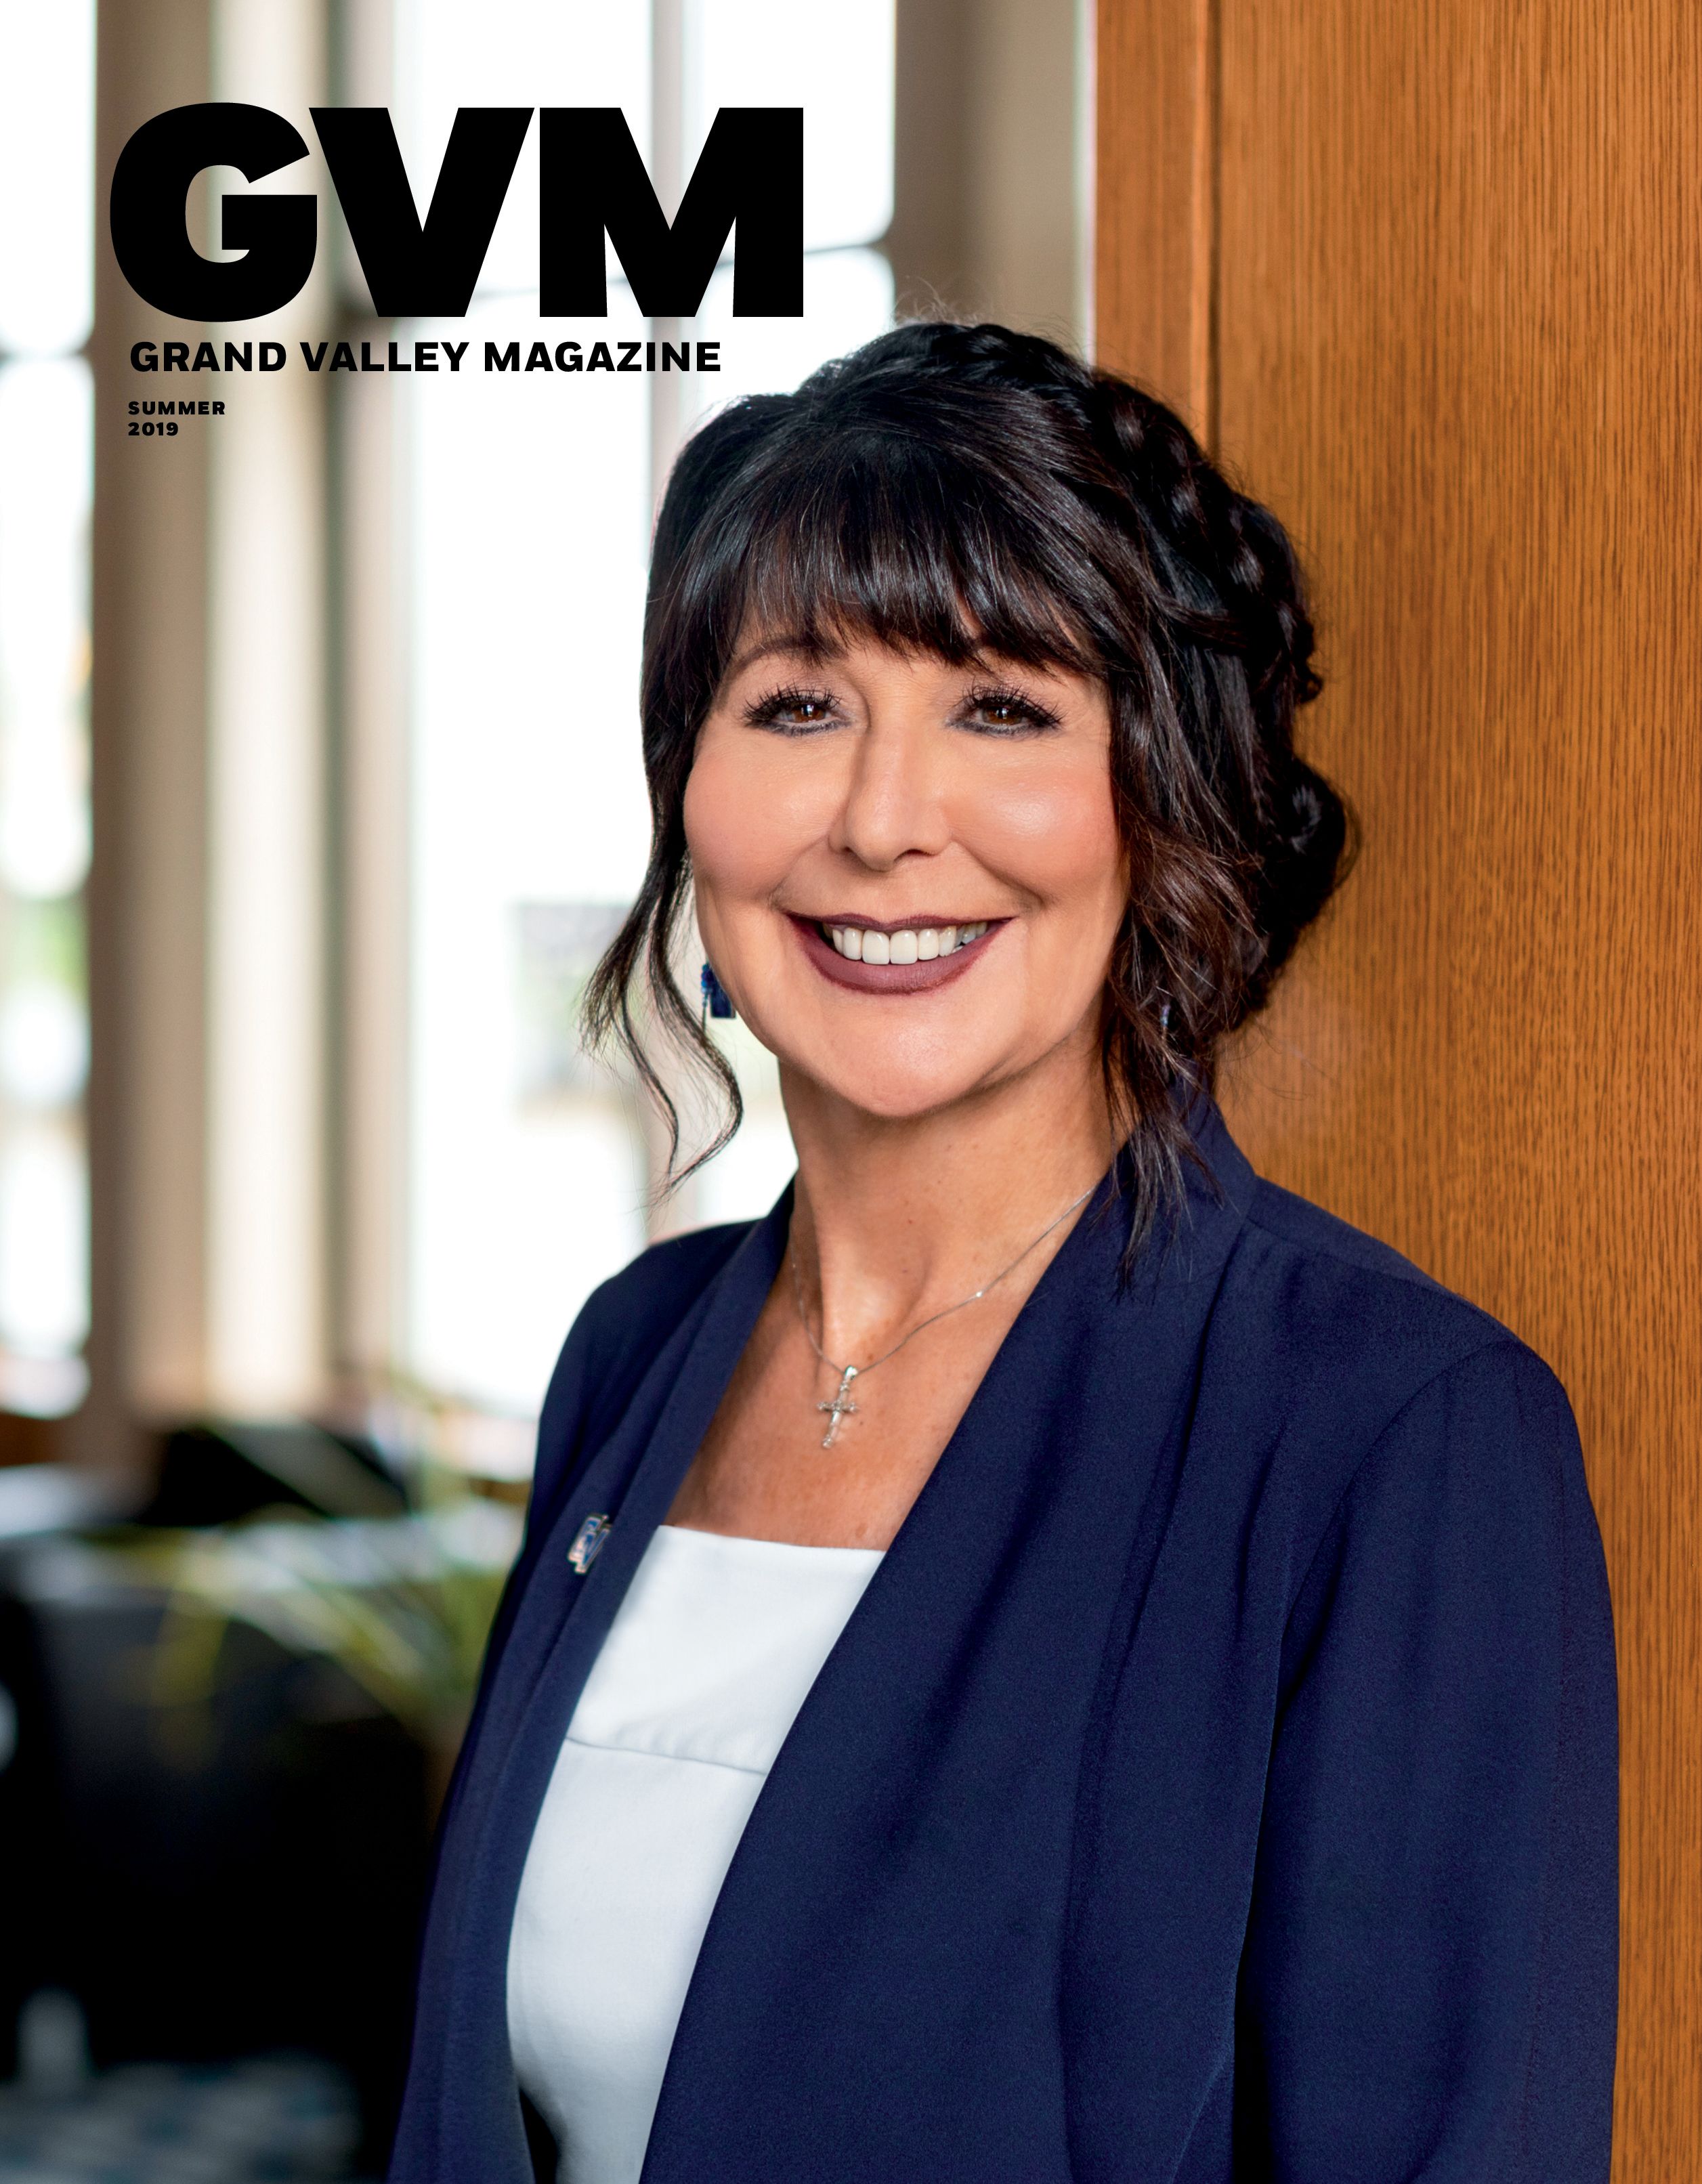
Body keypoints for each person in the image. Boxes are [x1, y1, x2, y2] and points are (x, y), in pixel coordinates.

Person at [388, 324, 1617, 2183]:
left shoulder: (1390, 1432)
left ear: (1161, 799)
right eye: (796, 707)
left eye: (1000, 707)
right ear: (687, 797)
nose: (881, 821)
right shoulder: (634, 1354)